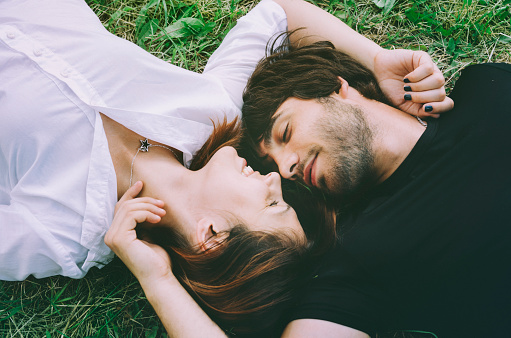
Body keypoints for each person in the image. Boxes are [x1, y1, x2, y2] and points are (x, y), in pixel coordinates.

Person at [0, 0, 449, 335]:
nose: (275, 176)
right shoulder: (214, 113)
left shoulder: (62, 234)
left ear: (211, 236)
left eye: (273, 203)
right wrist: (376, 59)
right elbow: (279, 14)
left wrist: (155, 277)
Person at [240, 34, 511, 338]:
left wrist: (378, 58)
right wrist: (171, 281)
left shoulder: (488, 87)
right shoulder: (358, 254)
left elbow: (281, 9)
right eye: (274, 165)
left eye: (285, 132)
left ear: (335, 87)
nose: (286, 168)